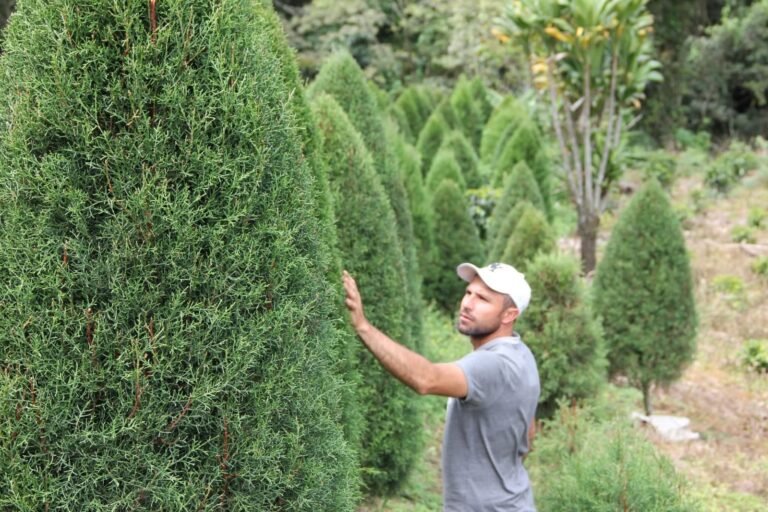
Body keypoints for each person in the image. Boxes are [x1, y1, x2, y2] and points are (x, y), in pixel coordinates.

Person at [342, 261, 540, 512]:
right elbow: (529, 433)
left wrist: (363, 326)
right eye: (468, 292)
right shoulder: (522, 355)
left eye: (483, 299)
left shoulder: (492, 364)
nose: (467, 303)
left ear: (509, 315)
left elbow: (427, 379)